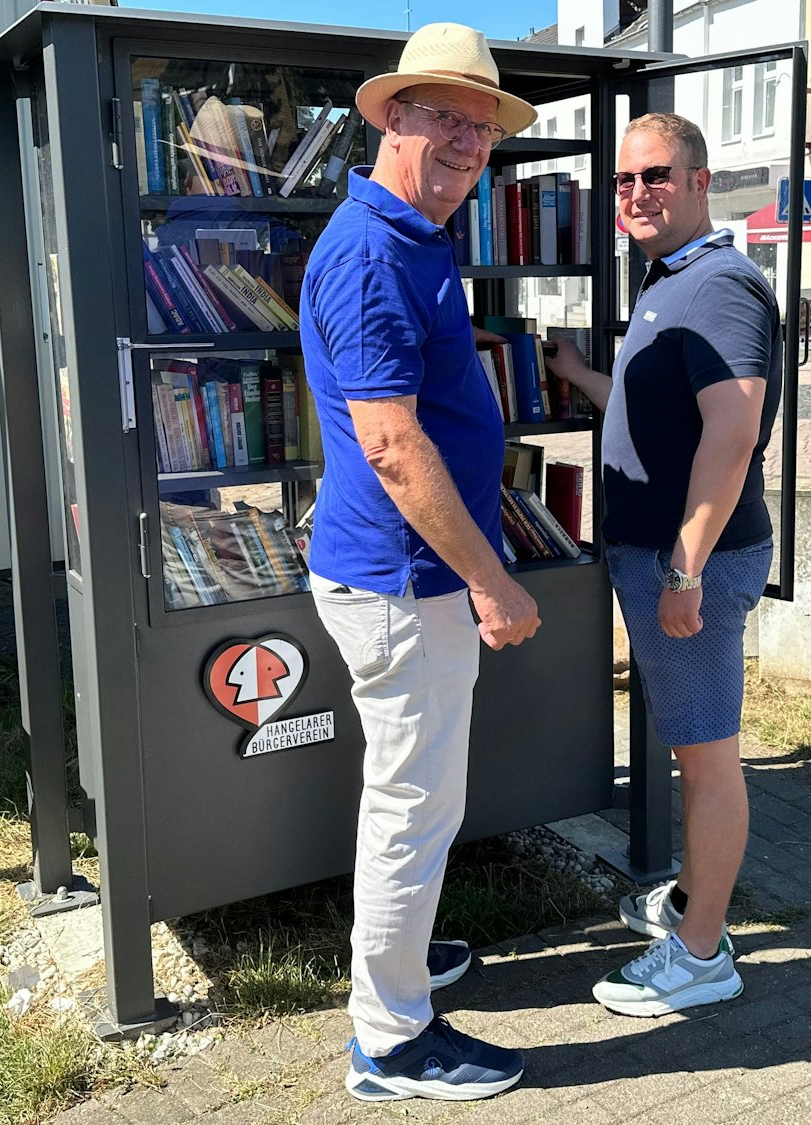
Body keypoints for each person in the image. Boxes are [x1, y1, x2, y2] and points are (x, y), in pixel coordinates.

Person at [298, 23, 540, 1103]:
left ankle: (395, 963)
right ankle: (389, 1042)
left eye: (479, 126)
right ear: (391, 117)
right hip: (409, 581)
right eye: (442, 115)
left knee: (406, 800)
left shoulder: (405, 236)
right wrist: (491, 579)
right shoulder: (370, 253)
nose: (464, 142)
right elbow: (393, 446)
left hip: (401, 575)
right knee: (412, 810)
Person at [546, 112, 780, 1018]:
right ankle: (690, 902)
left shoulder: (718, 284)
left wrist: (683, 567)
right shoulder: (669, 282)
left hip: (691, 566)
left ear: (699, 181)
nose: (637, 193)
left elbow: (732, 427)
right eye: (624, 181)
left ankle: (701, 952)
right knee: (695, 746)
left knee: (706, 758)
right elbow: (662, 412)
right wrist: (582, 376)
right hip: (664, 561)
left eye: (655, 176)